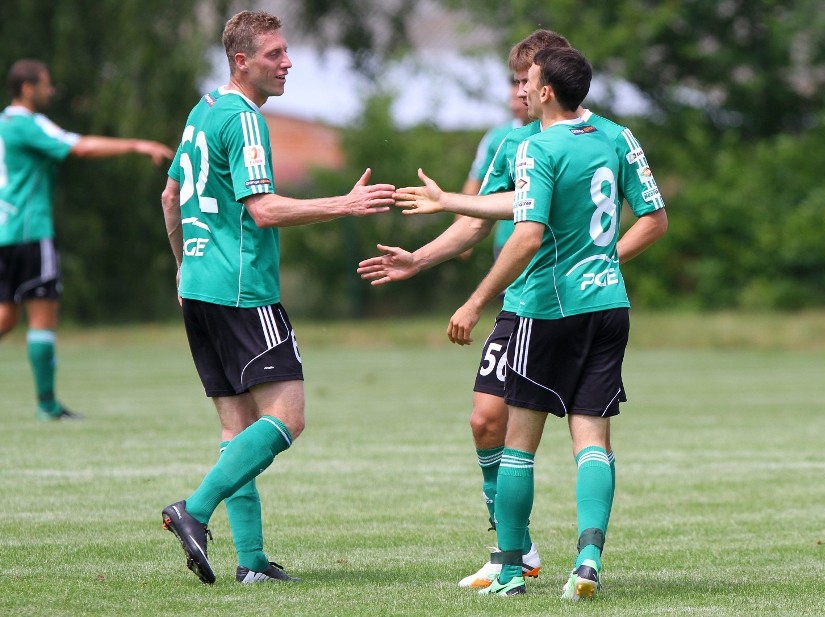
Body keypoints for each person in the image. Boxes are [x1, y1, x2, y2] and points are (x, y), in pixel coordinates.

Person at [357, 29, 667, 591]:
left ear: (544, 84)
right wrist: (423, 254)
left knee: (519, 440)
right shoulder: (599, 138)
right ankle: (578, 559)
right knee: (515, 425)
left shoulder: (538, 146)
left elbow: (524, 226)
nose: (516, 92)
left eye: (523, 80)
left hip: (537, 302)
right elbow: (483, 219)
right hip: (601, 304)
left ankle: (510, 563)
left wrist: (477, 296)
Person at [159, 10, 394, 586]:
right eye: (275, 54)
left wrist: (185, 266)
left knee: (237, 430)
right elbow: (261, 210)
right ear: (242, 62)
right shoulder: (242, 119)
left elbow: (169, 195)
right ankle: (193, 509)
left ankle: (252, 562)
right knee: (287, 417)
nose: (288, 62)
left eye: (287, 52)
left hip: (200, 292)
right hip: (243, 292)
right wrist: (343, 205)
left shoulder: (203, 110)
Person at [0, 59, 174, 421]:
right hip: (30, 232)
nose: (51, 91)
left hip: (5, 231)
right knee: (41, 316)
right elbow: (79, 147)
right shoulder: (25, 125)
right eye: (46, 85)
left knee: (6, 316)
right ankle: (47, 406)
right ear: (27, 88)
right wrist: (136, 145)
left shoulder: (4, 124)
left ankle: (48, 404)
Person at [461, 79, 529, 262]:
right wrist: (462, 229)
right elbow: (475, 180)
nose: (513, 105)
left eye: (518, 98)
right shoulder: (498, 137)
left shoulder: (557, 135)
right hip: (507, 241)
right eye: (511, 98)